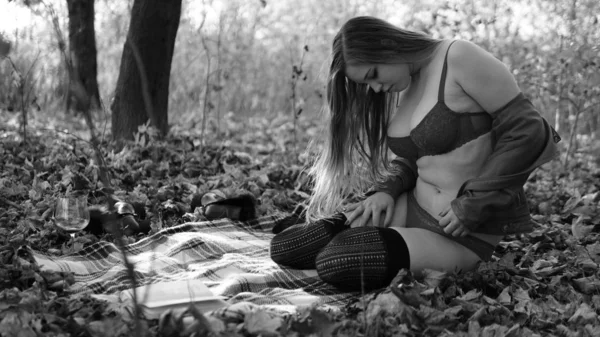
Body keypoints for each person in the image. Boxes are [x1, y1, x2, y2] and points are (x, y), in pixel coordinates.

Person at [270, 16, 560, 291]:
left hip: (460, 234)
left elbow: (530, 131)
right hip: (409, 207)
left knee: (338, 260)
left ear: (386, 44)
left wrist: (474, 203)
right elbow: (418, 156)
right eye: (365, 84)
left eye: (373, 74)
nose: (375, 88)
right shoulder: (407, 84)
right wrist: (386, 189)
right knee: (289, 247)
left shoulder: (459, 57)